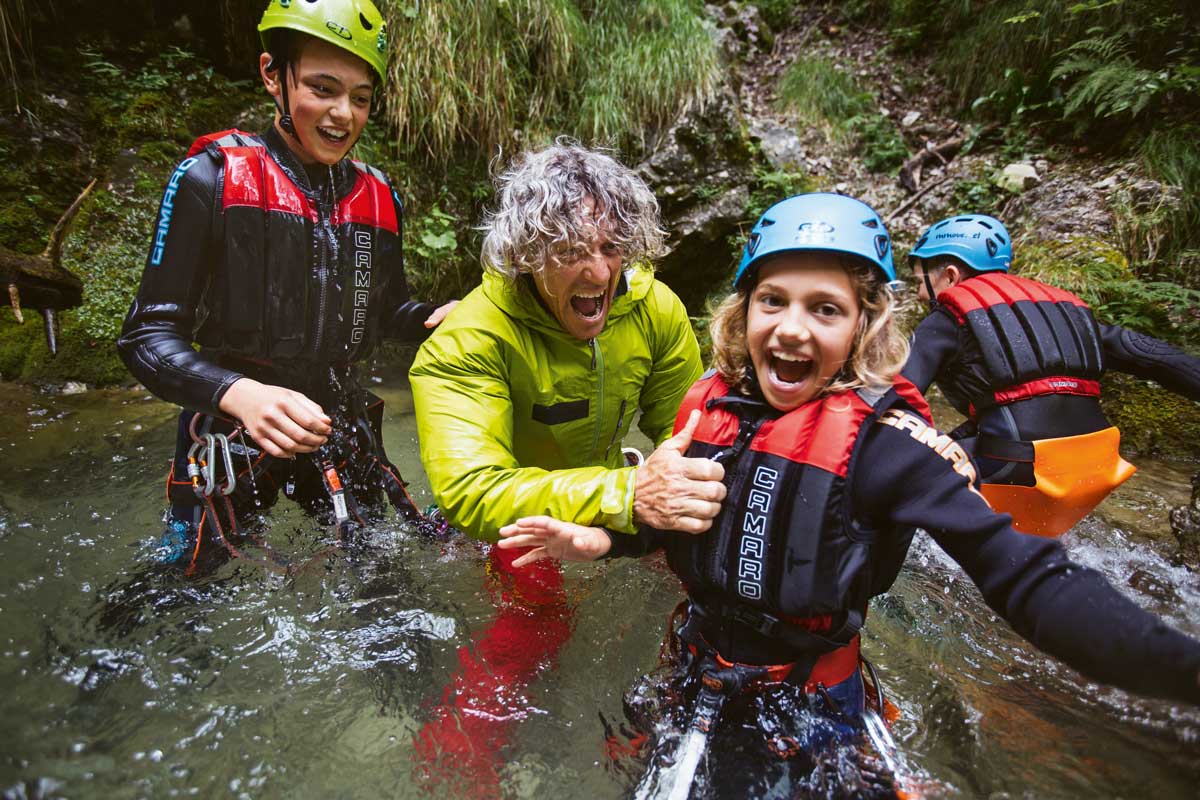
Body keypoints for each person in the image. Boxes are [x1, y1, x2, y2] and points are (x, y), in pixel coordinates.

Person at [496, 193, 1200, 797]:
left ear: (863, 327)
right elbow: (685, 523)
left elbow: (1028, 579)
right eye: (773, 300)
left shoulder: (887, 449)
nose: (793, 327)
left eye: (824, 309)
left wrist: (1176, 666)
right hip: (694, 671)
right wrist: (604, 538)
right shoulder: (709, 409)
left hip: (809, 700)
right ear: (743, 314)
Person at [406, 142, 721, 795]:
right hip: (511, 513)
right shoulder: (466, 340)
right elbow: (473, 491)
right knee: (537, 624)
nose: (599, 270)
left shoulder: (654, 308)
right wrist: (631, 492)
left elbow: (691, 434)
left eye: (612, 247)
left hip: (618, 488)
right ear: (526, 253)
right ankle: (459, 769)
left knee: (711, 571)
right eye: (572, 250)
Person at [116, 0, 455, 573]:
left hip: (337, 423)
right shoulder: (209, 178)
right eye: (322, 88)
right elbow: (146, 336)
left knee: (388, 595)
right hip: (231, 430)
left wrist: (437, 317)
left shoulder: (378, 197)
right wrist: (242, 395)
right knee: (178, 594)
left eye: (361, 98)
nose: (343, 113)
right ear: (273, 73)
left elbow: (388, 309)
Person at [904, 214, 1200, 536]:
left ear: (950, 276)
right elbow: (1153, 356)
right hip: (1097, 467)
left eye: (921, 281)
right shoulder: (1060, 307)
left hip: (1021, 468)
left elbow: (900, 395)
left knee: (904, 476)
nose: (920, 294)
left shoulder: (948, 317)